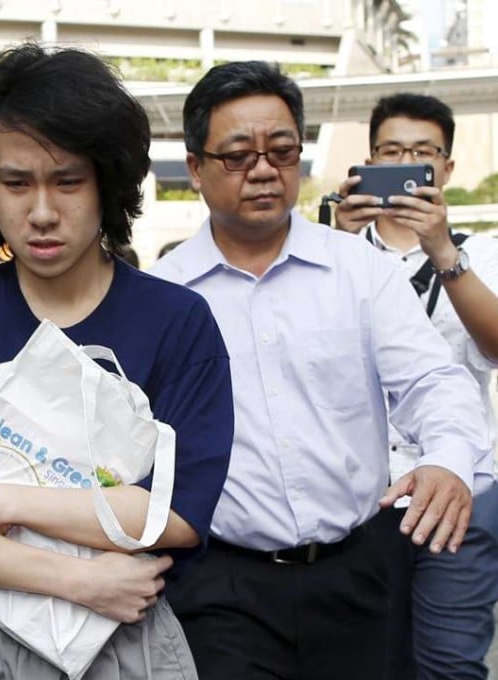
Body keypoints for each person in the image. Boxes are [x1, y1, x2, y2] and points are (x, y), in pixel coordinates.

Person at [0, 43, 234, 679]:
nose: (41, 212)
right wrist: (78, 579)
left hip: (134, 641)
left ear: (107, 182)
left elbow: (171, 517)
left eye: (67, 180)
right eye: (16, 183)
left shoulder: (177, 322)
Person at [148, 61, 493, 680]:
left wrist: (446, 458)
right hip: (219, 583)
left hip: (355, 570)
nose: (263, 169)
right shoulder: (160, 297)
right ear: (195, 167)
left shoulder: (360, 271)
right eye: (237, 155)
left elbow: (432, 381)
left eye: (282, 152)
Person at [333, 93, 498, 679]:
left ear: (446, 168)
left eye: (421, 154)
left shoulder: (483, 254)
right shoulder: (329, 254)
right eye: (392, 152)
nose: (406, 162)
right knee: (367, 659)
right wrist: (338, 245)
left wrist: (442, 251)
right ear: (369, 161)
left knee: (449, 663)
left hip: (461, 487)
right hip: (359, 494)